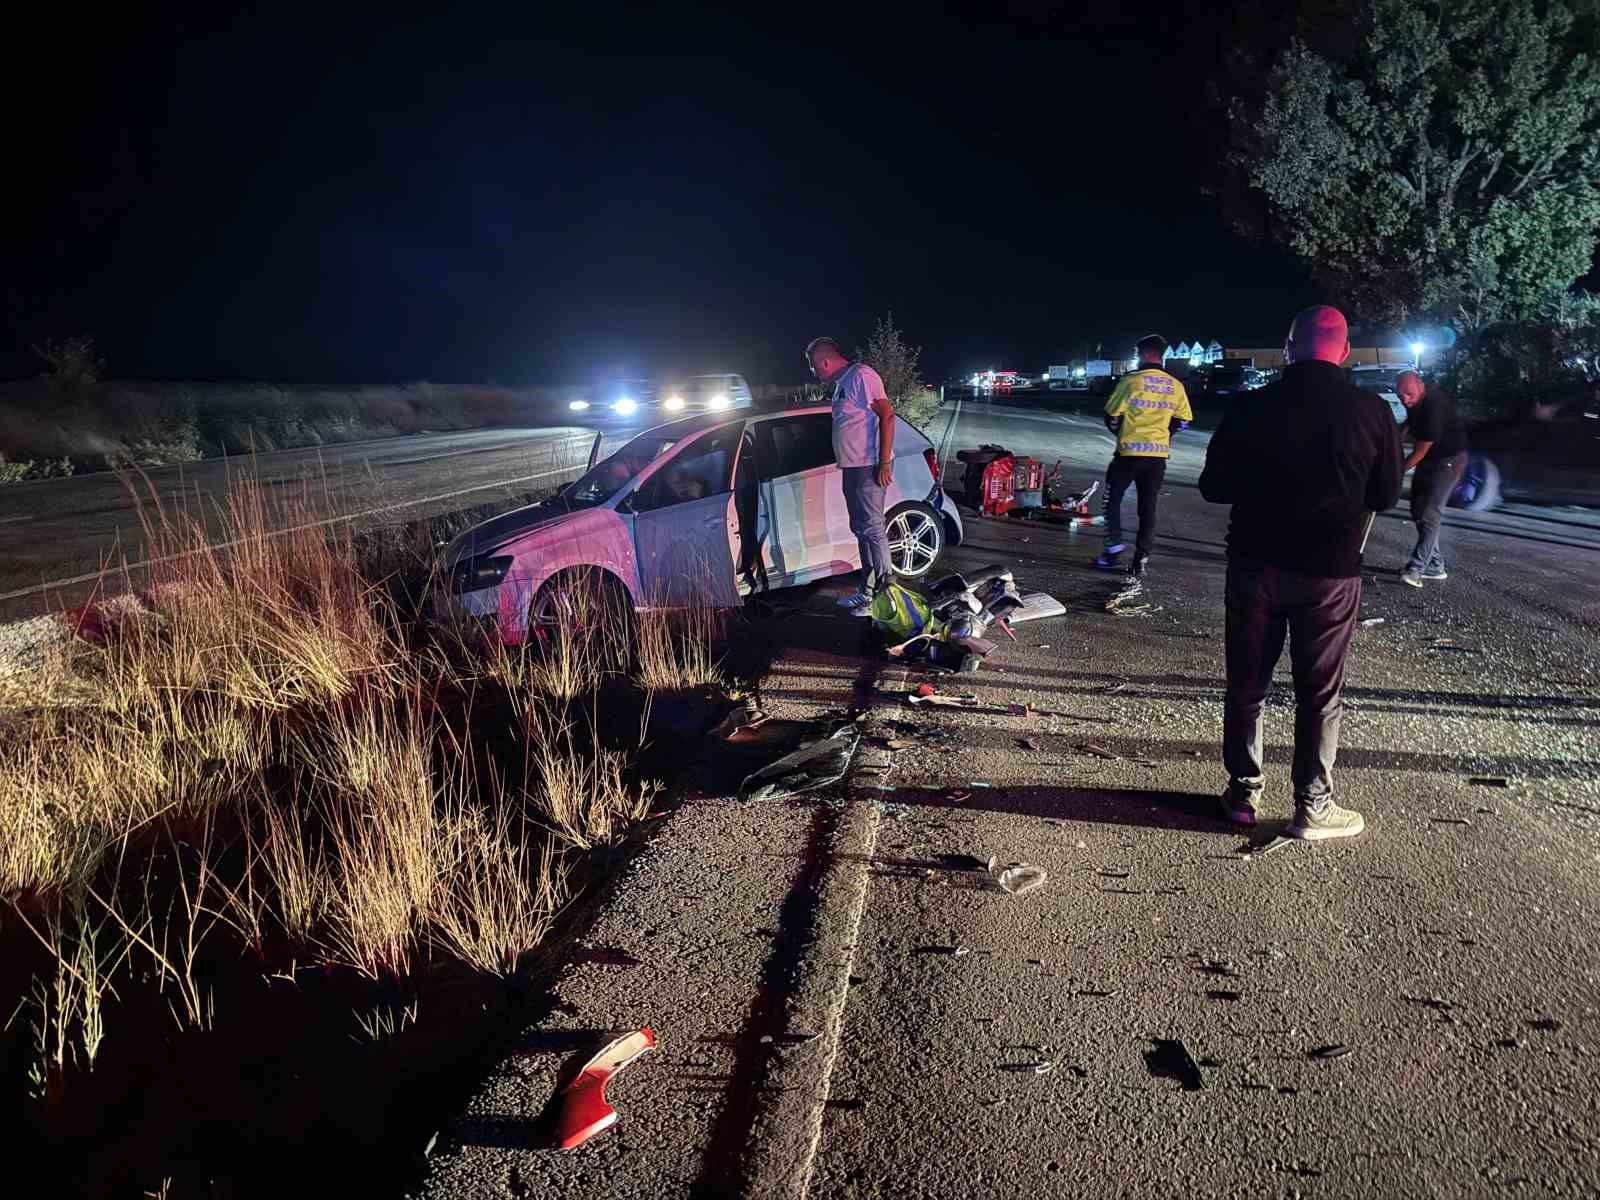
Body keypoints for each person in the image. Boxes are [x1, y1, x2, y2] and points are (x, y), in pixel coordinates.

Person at [1199, 305, 1403, 841]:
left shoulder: (1249, 407)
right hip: (1331, 575)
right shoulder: (1373, 412)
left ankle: (1243, 794)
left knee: (1248, 684)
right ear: (1343, 352)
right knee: (1320, 692)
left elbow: (1213, 487)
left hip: (1254, 566)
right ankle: (1313, 805)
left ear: (1289, 349)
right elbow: (1385, 494)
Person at [805, 336, 895, 614]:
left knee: (872, 529)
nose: (813, 372)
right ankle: (867, 593)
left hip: (868, 466)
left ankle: (885, 597)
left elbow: (887, 415)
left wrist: (884, 462)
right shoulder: (842, 384)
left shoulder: (861, 376)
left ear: (825, 361)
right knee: (861, 530)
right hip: (853, 467)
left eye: (813, 366)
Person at [1093, 334, 1193, 576]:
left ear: (1147, 354)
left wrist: (1119, 432)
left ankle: (1113, 550)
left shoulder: (1132, 381)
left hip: (1129, 454)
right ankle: (1141, 559)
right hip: (1157, 458)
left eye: (1138, 355)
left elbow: (1112, 415)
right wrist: (1165, 436)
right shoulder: (1175, 386)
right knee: (1148, 507)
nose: (1137, 359)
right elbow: (1184, 421)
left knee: (1111, 499)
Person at [1395, 370, 1469, 588]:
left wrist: (1395, 471)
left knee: (1429, 513)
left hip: (1449, 461)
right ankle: (1436, 565)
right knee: (1418, 510)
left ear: (1420, 385)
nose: (1405, 400)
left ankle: (1416, 568)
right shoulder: (1415, 402)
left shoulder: (1433, 407)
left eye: (1408, 394)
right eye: (1401, 396)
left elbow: (1418, 452)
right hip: (1432, 459)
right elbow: (1406, 427)